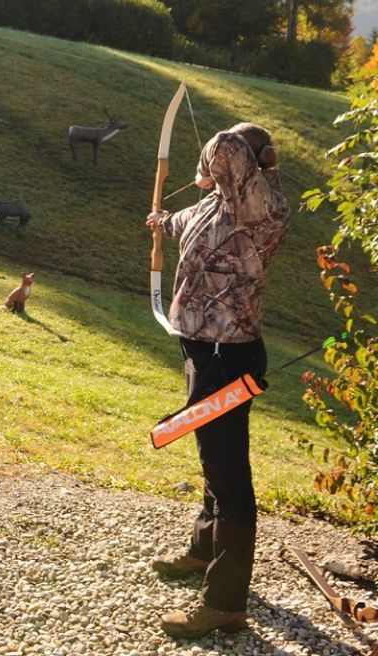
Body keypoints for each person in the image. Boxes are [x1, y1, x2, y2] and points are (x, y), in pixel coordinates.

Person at [145, 122, 291, 638]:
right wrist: (161, 221)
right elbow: (183, 221)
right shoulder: (215, 206)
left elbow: (227, 146)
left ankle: (226, 602)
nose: (210, 168)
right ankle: (202, 551)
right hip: (200, 349)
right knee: (211, 453)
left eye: (220, 164)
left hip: (230, 356)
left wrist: (218, 154)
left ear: (246, 164)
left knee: (229, 475)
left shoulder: (262, 206)